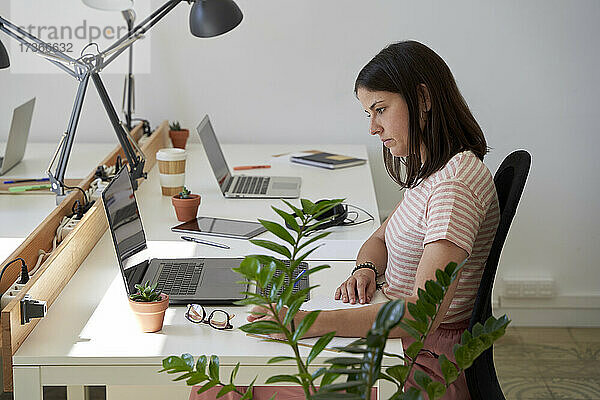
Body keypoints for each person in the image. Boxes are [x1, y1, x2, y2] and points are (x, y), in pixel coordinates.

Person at [193, 40, 500, 400]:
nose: (373, 127)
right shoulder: (434, 174)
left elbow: (420, 316)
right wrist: (366, 270)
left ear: (422, 98)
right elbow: (379, 239)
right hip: (396, 341)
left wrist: (308, 324)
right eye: (369, 113)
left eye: (381, 109)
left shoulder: (453, 188)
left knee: (221, 388)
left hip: (420, 368)